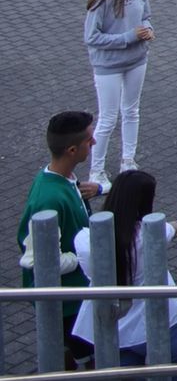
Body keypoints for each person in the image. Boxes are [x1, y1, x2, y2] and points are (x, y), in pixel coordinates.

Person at [70, 171, 177, 375]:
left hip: (115, 329)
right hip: (159, 321)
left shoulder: (85, 240)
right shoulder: (150, 234)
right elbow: (174, 228)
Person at [18, 112, 100, 367]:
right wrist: (82, 257)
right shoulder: (49, 199)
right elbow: (37, 259)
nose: (94, 142)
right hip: (67, 304)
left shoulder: (63, 180)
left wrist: (97, 189)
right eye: (89, 139)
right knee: (90, 359)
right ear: (72, 150)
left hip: (74, 298)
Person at [84, 0, 152, 187]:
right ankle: (96, 170)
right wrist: (129, 37)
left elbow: (146, 17)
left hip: (137, 59)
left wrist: (148, 31)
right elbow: (92, 36)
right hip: (108, 65)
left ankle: (128, 160)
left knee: (132, 110)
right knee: (108, 117)